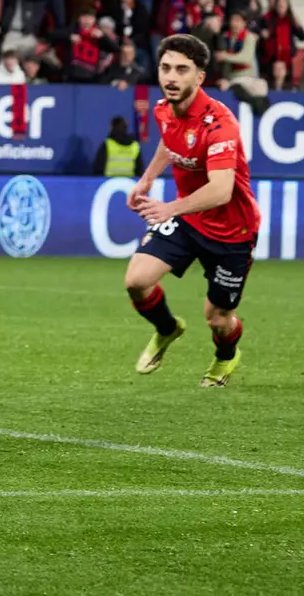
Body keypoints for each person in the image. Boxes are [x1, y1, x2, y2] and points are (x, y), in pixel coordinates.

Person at [125, 33, 261, 387]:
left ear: (199, 77)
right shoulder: (163, 109)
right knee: (137, 281)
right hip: (188, 220)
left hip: (232, 231)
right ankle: (167, 329)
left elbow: (220, 190)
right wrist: (147, 179)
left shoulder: (220, 125)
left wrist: (169, 207)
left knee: (217, 318)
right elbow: (170, 143)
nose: (171, 77)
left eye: (182, 70)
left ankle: (226, 357)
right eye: (166, 68)